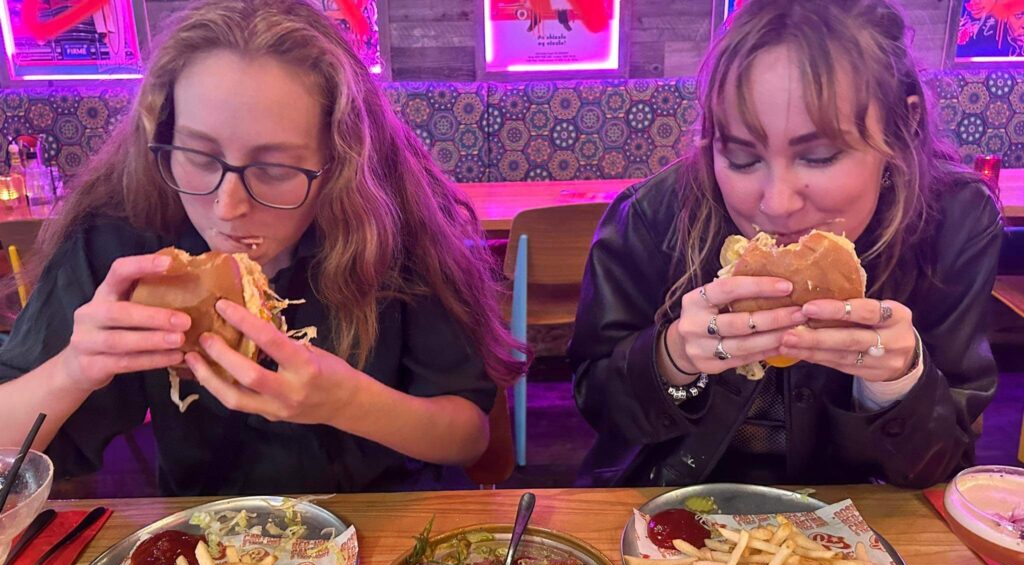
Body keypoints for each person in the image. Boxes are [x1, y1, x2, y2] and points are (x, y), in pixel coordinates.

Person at [0, 0, 523, 495]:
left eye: (274, 170)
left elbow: (469, 437)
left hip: (383, 518)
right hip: (206, 531)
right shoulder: (124, 237)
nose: (227, 208)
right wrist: (70, 371)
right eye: (199, 157)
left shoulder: (392, 232)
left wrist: (348, 402)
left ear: (338, 165)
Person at [569, 0, 1001, 488]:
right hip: (674, 502)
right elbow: (597, 403)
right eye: (741, 157)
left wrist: (898, 384)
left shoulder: (955, 222)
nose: (775, 204)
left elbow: (944, 462)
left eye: (818, 156)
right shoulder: (651, 215)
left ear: (904, 129)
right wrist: (672, 358)